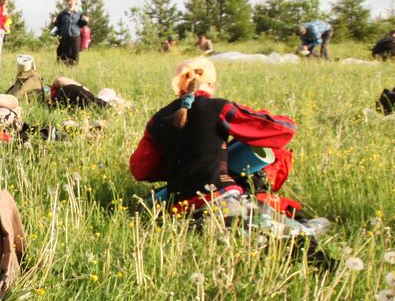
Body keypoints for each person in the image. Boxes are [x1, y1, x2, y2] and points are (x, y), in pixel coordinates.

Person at [129, 58, 305, 220]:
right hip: (220, 198)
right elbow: (282, 131)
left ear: (179, 85)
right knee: (286, 222)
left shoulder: (158, 119)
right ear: (212, 85)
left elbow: (141, 170)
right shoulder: (218, 108)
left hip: (178, 207)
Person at [51, 0, 87, 66]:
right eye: (69, 1)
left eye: (73, 1)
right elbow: (58, 24)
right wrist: (54, 22)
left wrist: (85, 20)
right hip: (64, 37)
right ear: (67, 2)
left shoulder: (79, 13)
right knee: (63, 53)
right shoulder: (62, 14)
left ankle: (74, 69)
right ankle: (63, 68)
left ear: (75, 3)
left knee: (74, 54)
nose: (71, 3)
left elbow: (82, 24)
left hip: (75, 36)